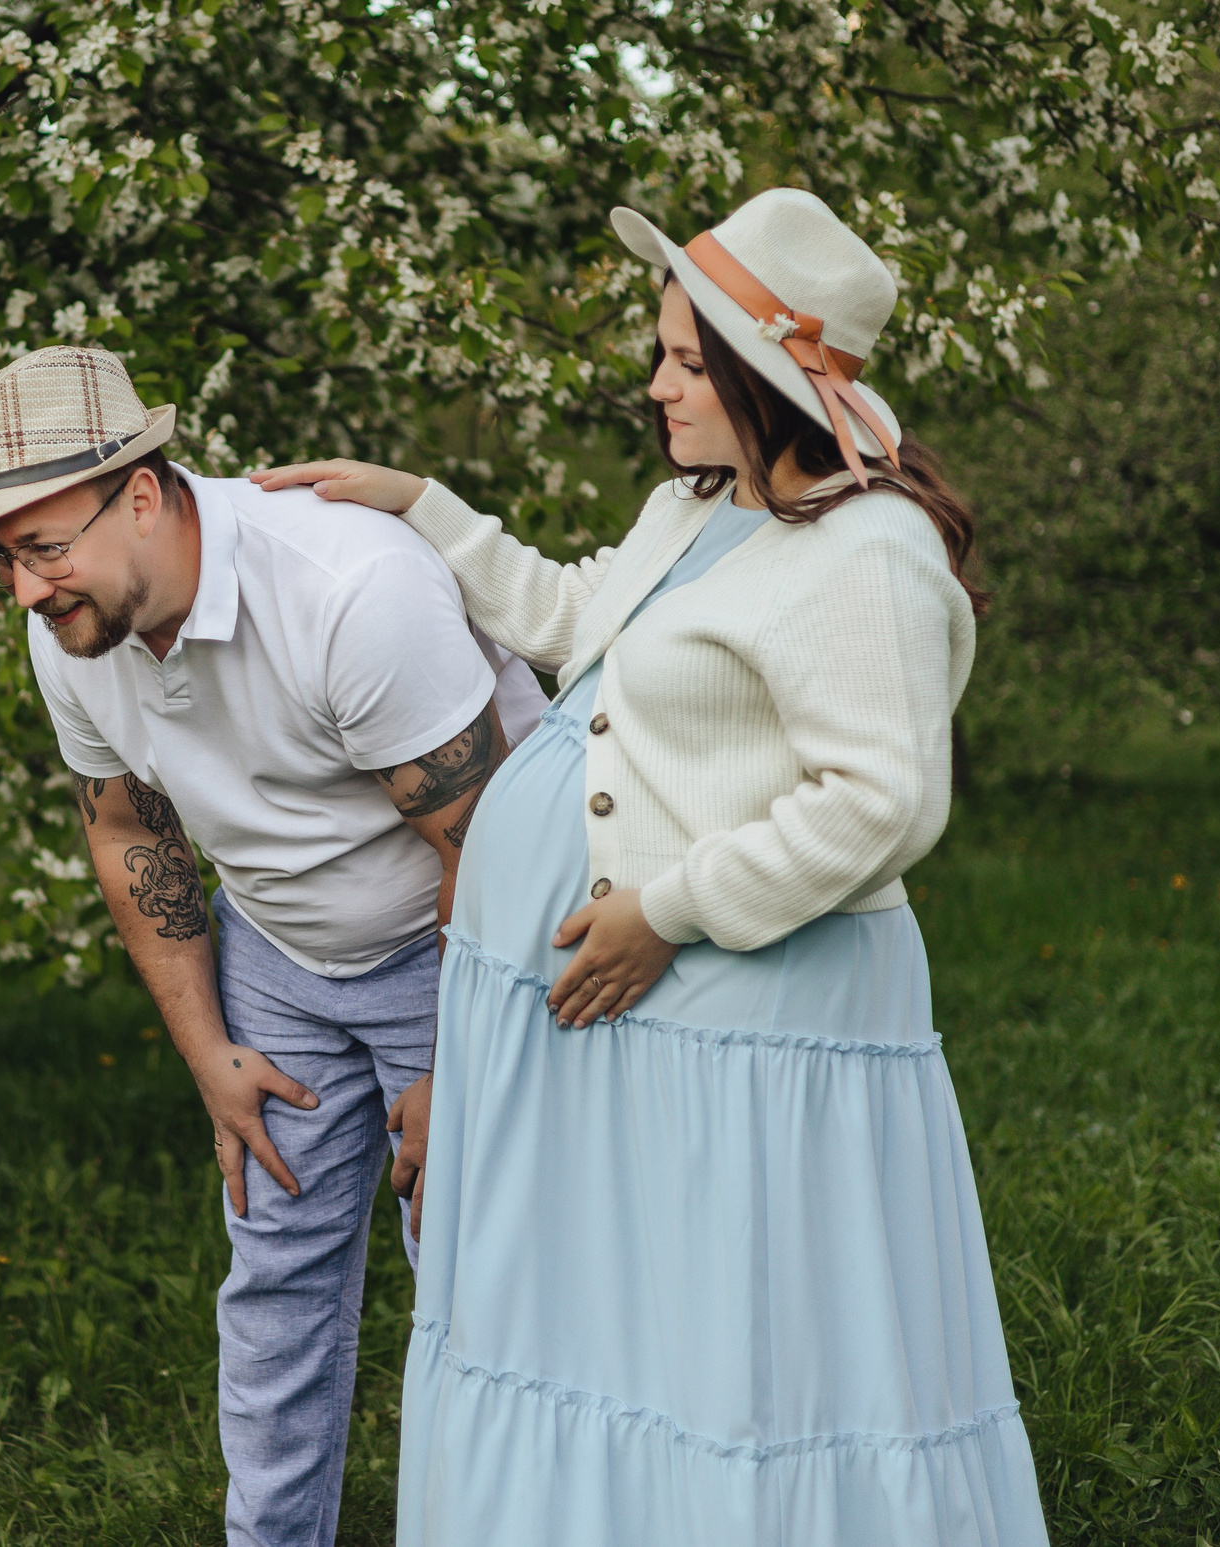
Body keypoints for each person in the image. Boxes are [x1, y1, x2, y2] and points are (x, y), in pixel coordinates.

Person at [254, 190, 1052, 1545]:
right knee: (623, 1329)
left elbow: (883, 799)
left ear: (764, 376)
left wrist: (667, 912)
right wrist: (422, 508)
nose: (657, 385)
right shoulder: (696, 509)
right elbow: (583, 620)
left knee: (735, 1343)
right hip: (632, 1019)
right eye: (664, 354)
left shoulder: (869, 549)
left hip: (746, 1021)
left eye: (687, 361)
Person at [0, 344, 544, 1547]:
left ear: (141, 494)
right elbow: (129, 831)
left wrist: (460, 1064)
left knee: (477, 1280)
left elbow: (487, 844)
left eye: (43, 547)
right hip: (274, 951)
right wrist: (209, 1050)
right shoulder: (71, 621)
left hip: (457, 940)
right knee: (274, 1281)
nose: (22, 591)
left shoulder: (346, 588)